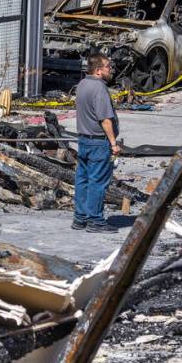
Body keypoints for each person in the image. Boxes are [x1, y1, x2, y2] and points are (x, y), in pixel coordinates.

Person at [71, 53, 121, 233]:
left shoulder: (82, 84)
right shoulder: (99, 89)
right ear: (99, 71)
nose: (111, 69)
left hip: (84, 140)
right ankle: (95, 221)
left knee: (82, 180)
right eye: (108, 66)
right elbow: (105, 120)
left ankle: (80, 218)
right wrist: (114, 144)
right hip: (98, 143)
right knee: (97, 182)